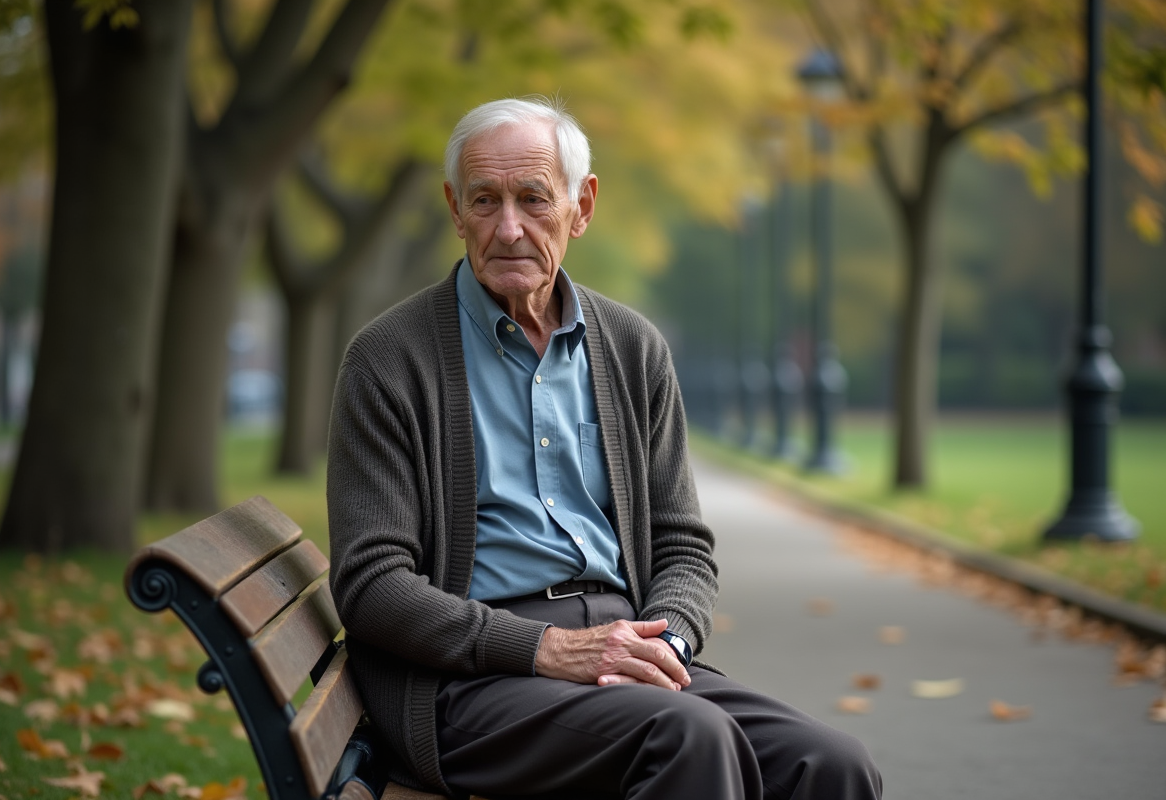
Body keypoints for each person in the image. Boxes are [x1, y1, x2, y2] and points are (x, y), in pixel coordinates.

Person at [327, 96, 882, 800]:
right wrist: (546, 649)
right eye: (485, 200)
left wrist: (668, 644)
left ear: (581, 206)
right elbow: (372, 585)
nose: (508, 227)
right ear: (454, 208)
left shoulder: (632, 347)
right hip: (468, 681)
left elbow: (683, 546)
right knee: (687, 738)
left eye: (533, 198)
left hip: (625, 655)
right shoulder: (389, 358)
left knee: (831, 763)